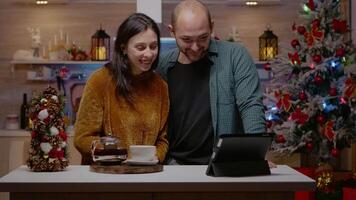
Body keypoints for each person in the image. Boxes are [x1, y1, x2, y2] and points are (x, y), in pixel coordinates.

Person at [157, 0, 266, 165]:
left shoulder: (235, 56)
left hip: (224, 165)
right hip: (174, 165)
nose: (195, 47)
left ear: (212, 27)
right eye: (186, 39)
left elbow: (250, 106)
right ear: (172, 32)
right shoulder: (162, 66)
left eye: (203, 38)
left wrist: (256, 154)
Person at [74, 13, 169, 165]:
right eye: (140, 47)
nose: (149, 53)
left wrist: (156, 156)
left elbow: (163, 139)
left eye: (153, 46)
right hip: (106, 177)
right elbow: (82, 138)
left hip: (147, 175)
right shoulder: (100, 81)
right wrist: (117, 154)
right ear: (123, 48)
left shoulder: (160, 87)